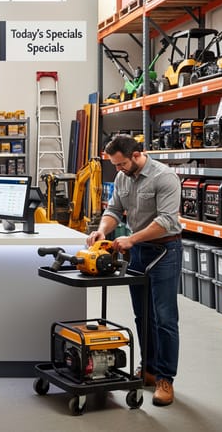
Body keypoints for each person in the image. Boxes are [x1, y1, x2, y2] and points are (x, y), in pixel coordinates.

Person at [86, 134, 182, 406]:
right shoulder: (122, 178)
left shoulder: (164, 177)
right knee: (143, 315)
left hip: (164, 251)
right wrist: (102, 230)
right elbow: (114, 209)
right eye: (115, 165)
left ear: (138, 154)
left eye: (122, 164)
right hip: (138, 252)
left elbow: (166, 221)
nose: (119, 169)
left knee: (165, 318)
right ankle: (149, 369)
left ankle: (166, 378)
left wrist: (132, 238)